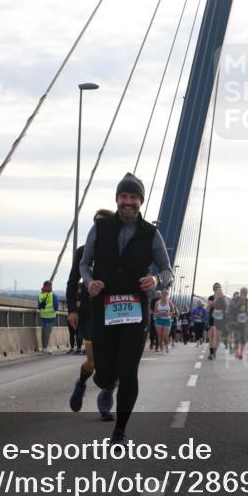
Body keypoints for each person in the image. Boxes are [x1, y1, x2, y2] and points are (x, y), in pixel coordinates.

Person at [80, 173, 173, 444]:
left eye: (133, 197)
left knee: (129, 369)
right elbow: (84, 265)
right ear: (117, 199)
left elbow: (167, 270)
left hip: (135, 310)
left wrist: (155, 279)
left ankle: (119, 431)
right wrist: (89, 282)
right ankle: (107, 385)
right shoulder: (100, 228)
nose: (128, 202)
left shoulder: (151, 233)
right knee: (106, 372)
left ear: (141, 202)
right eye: (124, 196)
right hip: (104, 308)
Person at [67, 208, 115, 419]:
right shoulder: (83, 251)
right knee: (93, 362)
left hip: (115, 313)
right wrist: (72, 310)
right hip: (90, 315)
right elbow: (71, 283)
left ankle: (106, 395)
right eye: (97, 223)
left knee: (114, 361)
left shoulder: (120, 251)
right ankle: (81, 383)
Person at [207, 283, 228, 360]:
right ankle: (211, 353)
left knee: (218, 337)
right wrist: (214, 301)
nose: (217, 289)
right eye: (215, 287)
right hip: (212, 318)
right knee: (212, 335)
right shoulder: (211, 297)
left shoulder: (224, 297)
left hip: (221, 319)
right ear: (213, 289)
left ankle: (214, 351)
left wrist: (222, 297)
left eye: (219, 287)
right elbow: (208, 307)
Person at [38, 280, 59, 353]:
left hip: (43, 316)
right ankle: (45, 347)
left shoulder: (40, 295)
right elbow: (56, 306)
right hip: (50, 316)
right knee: (47, 332)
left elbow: (39, 306)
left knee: (43, 332)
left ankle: (44, 346)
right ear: (50, 286)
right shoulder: (52, 295)